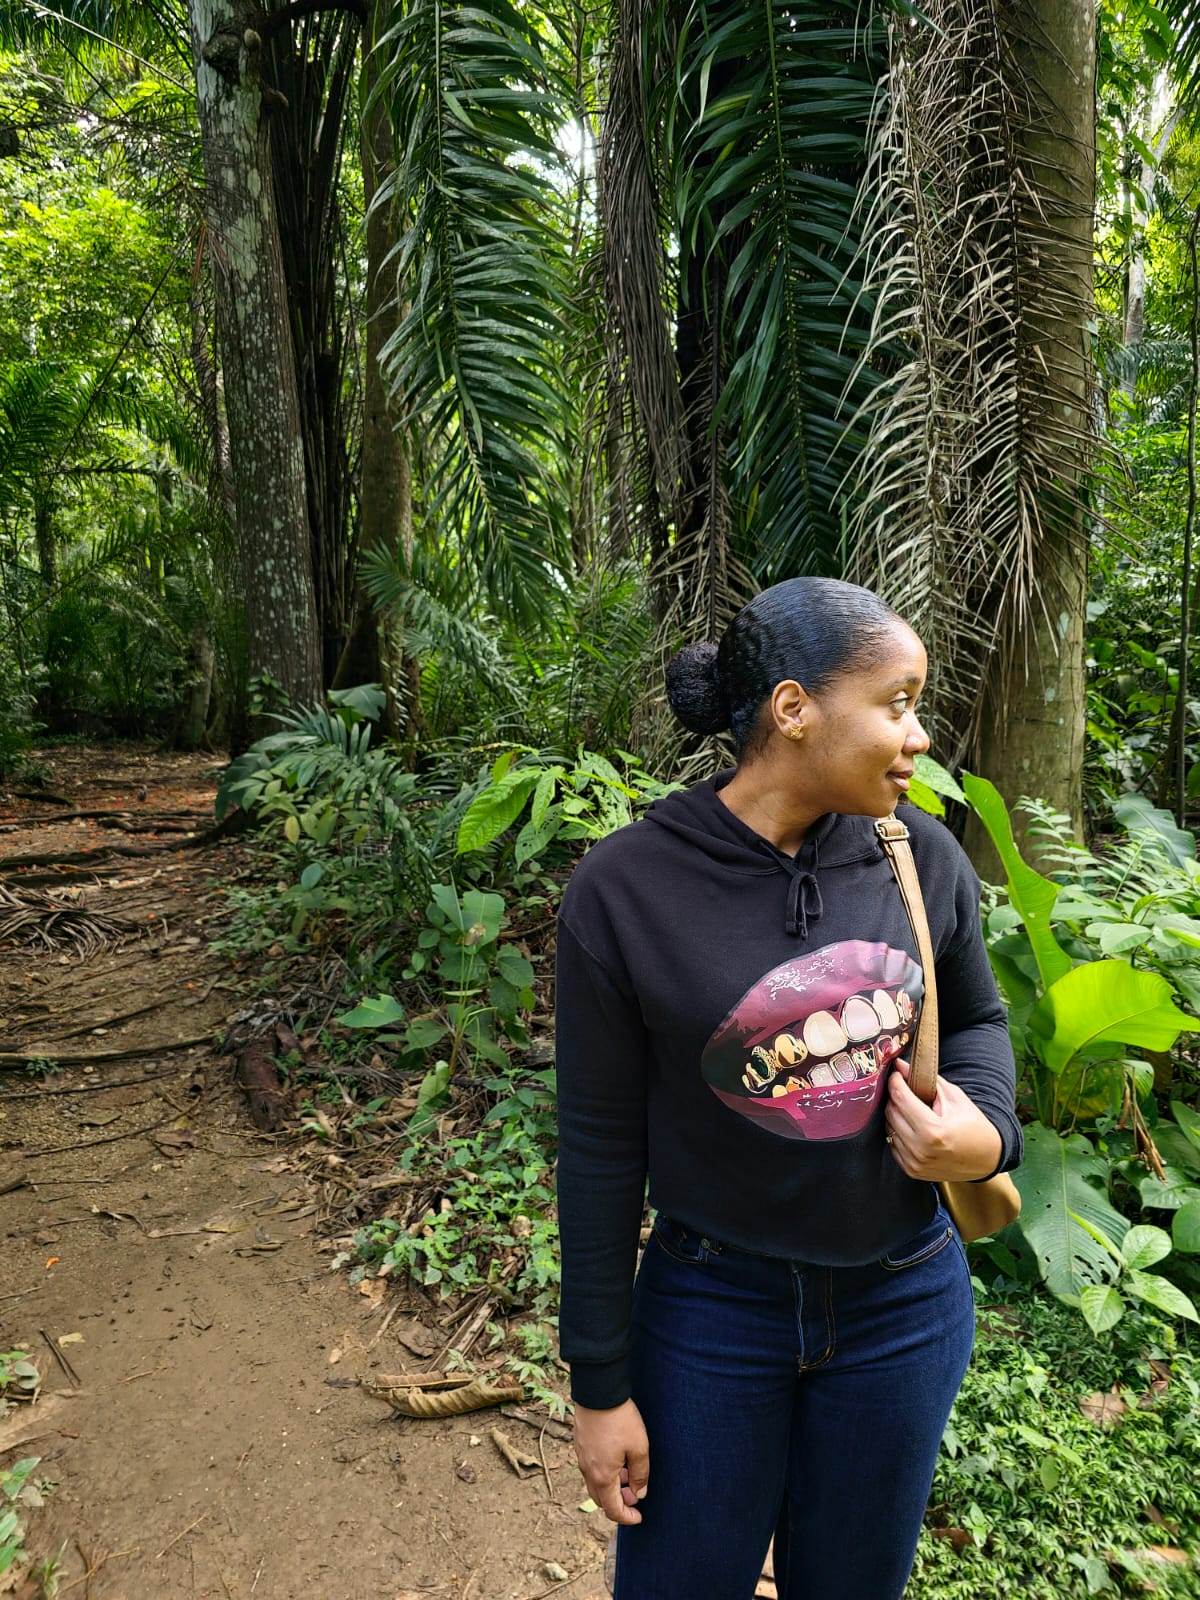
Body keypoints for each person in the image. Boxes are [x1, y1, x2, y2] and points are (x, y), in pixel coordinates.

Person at [554, 577, 1021, 1600]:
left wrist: (983, 1135)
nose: (921, 735)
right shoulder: (627, 891)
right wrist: (599, 1386)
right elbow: (595, 1147)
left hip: (904, 1304)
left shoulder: (922, 856)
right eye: (897, 703)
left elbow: (979, 1020)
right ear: (794, 707)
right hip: (711, 1311)